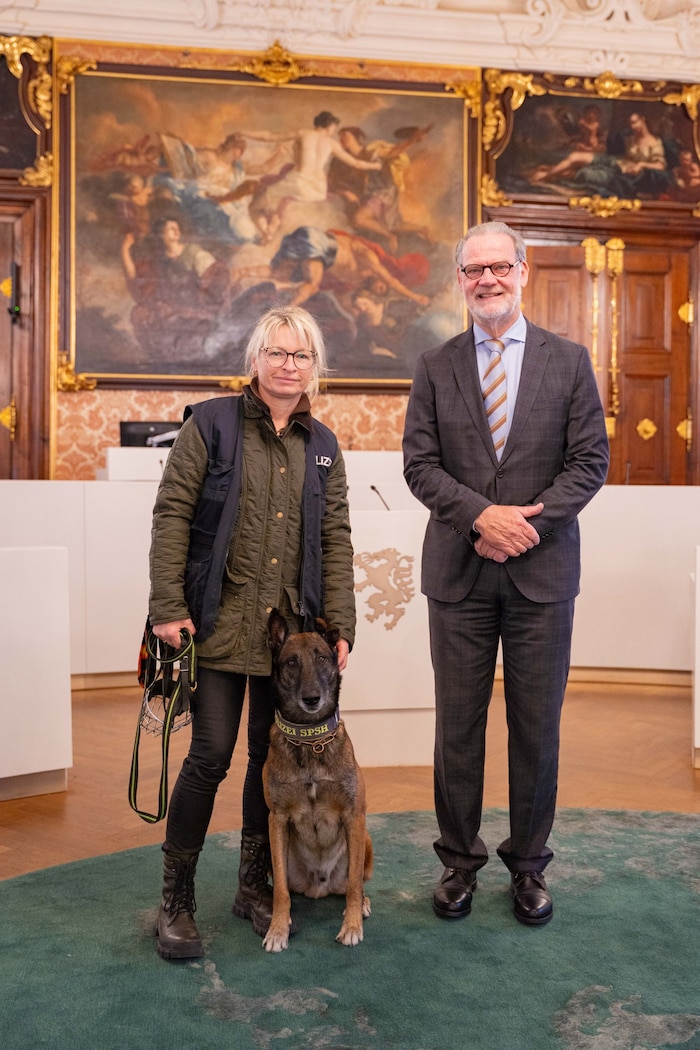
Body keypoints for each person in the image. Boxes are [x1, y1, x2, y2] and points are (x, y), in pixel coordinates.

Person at [402, 221, 609, 926]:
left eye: (498, 267)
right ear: (459, 281)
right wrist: (481, 518)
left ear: (522, 272)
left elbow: (590, 463)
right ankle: (458, 865)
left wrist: (525, 526)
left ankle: (529, 868)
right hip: (458, 575)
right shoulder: (435, 365)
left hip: (542, 575)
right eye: (472, 271)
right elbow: (419, 466)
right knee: (456, 729)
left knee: (536, 728)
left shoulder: (570, 360)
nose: (486, 281)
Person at [148, 304, 356, 960]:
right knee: (209, 757)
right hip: (212, 628)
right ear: (256, 360)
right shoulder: (210, 424)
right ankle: (175, 901)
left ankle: (251, 886)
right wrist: (167, 606)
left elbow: (335, 537)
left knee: (264, 766)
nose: (288, 365)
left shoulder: (322, 447)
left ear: (313, 368)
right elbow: (172, 514)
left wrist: (341, 623)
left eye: (300, 356)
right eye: (277, 353)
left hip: (287, 647)